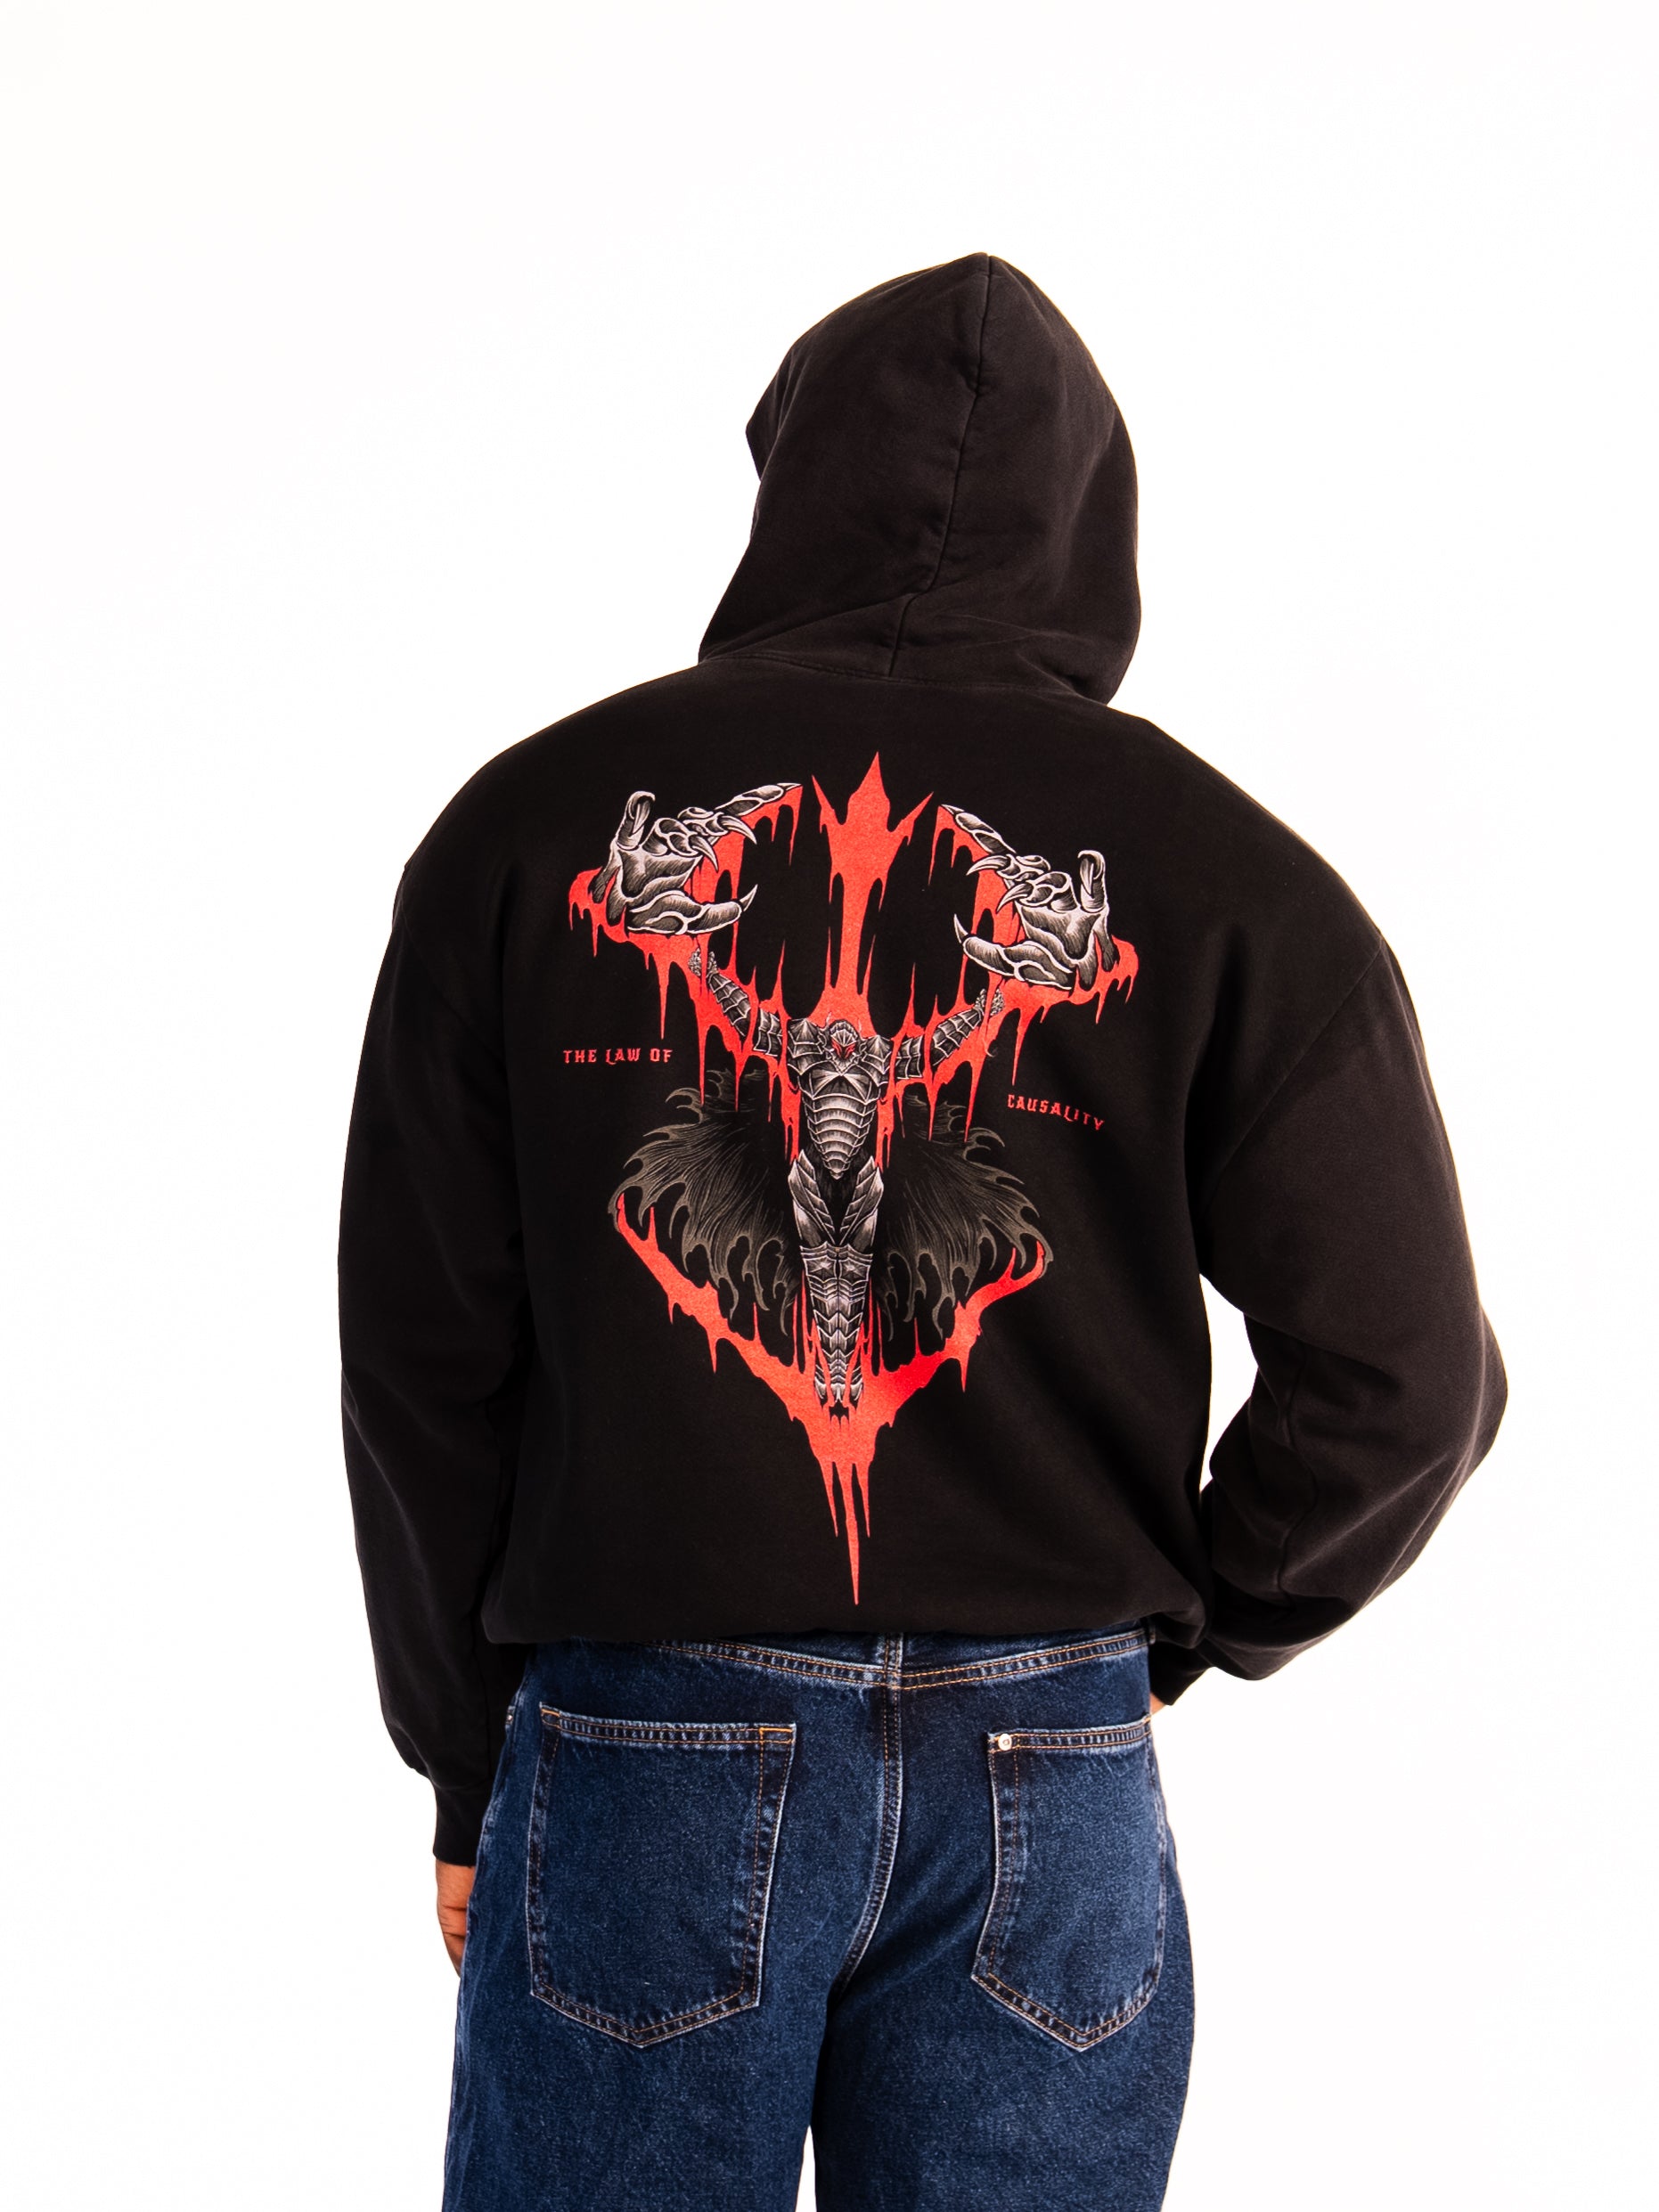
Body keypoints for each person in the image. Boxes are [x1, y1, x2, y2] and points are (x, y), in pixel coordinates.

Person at [339, 253, 1504, 2211]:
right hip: (1046, 1758)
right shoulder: (1233, 880)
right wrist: (1171, 1638)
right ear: (1095, 514)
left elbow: (423, 1362)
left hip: (643, 1744)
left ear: (785, 486)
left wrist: (466, 1759)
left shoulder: (525, 834)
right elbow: (1408, 1380)